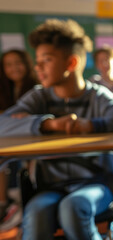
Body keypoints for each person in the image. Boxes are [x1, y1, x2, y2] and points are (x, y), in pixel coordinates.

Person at [0, 19, 113, 239]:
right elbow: (2, 124)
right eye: (37, 61)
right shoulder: (39, 96)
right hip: (51, 186)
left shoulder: (96, 95)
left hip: (95, 184)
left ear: (71, 63)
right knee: (35, 213)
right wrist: (48, 124)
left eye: (46, 60)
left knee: (74, 207)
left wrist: (89, 125)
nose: (38, 67)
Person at [0, 49, 38, 231]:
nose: (13, 68)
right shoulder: (4, 88)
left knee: (28, 162)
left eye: (18, 62)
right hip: (9, 139)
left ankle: (26, 203)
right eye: (8, 64)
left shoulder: (37, 87)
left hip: (32, 141)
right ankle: (4, 204)